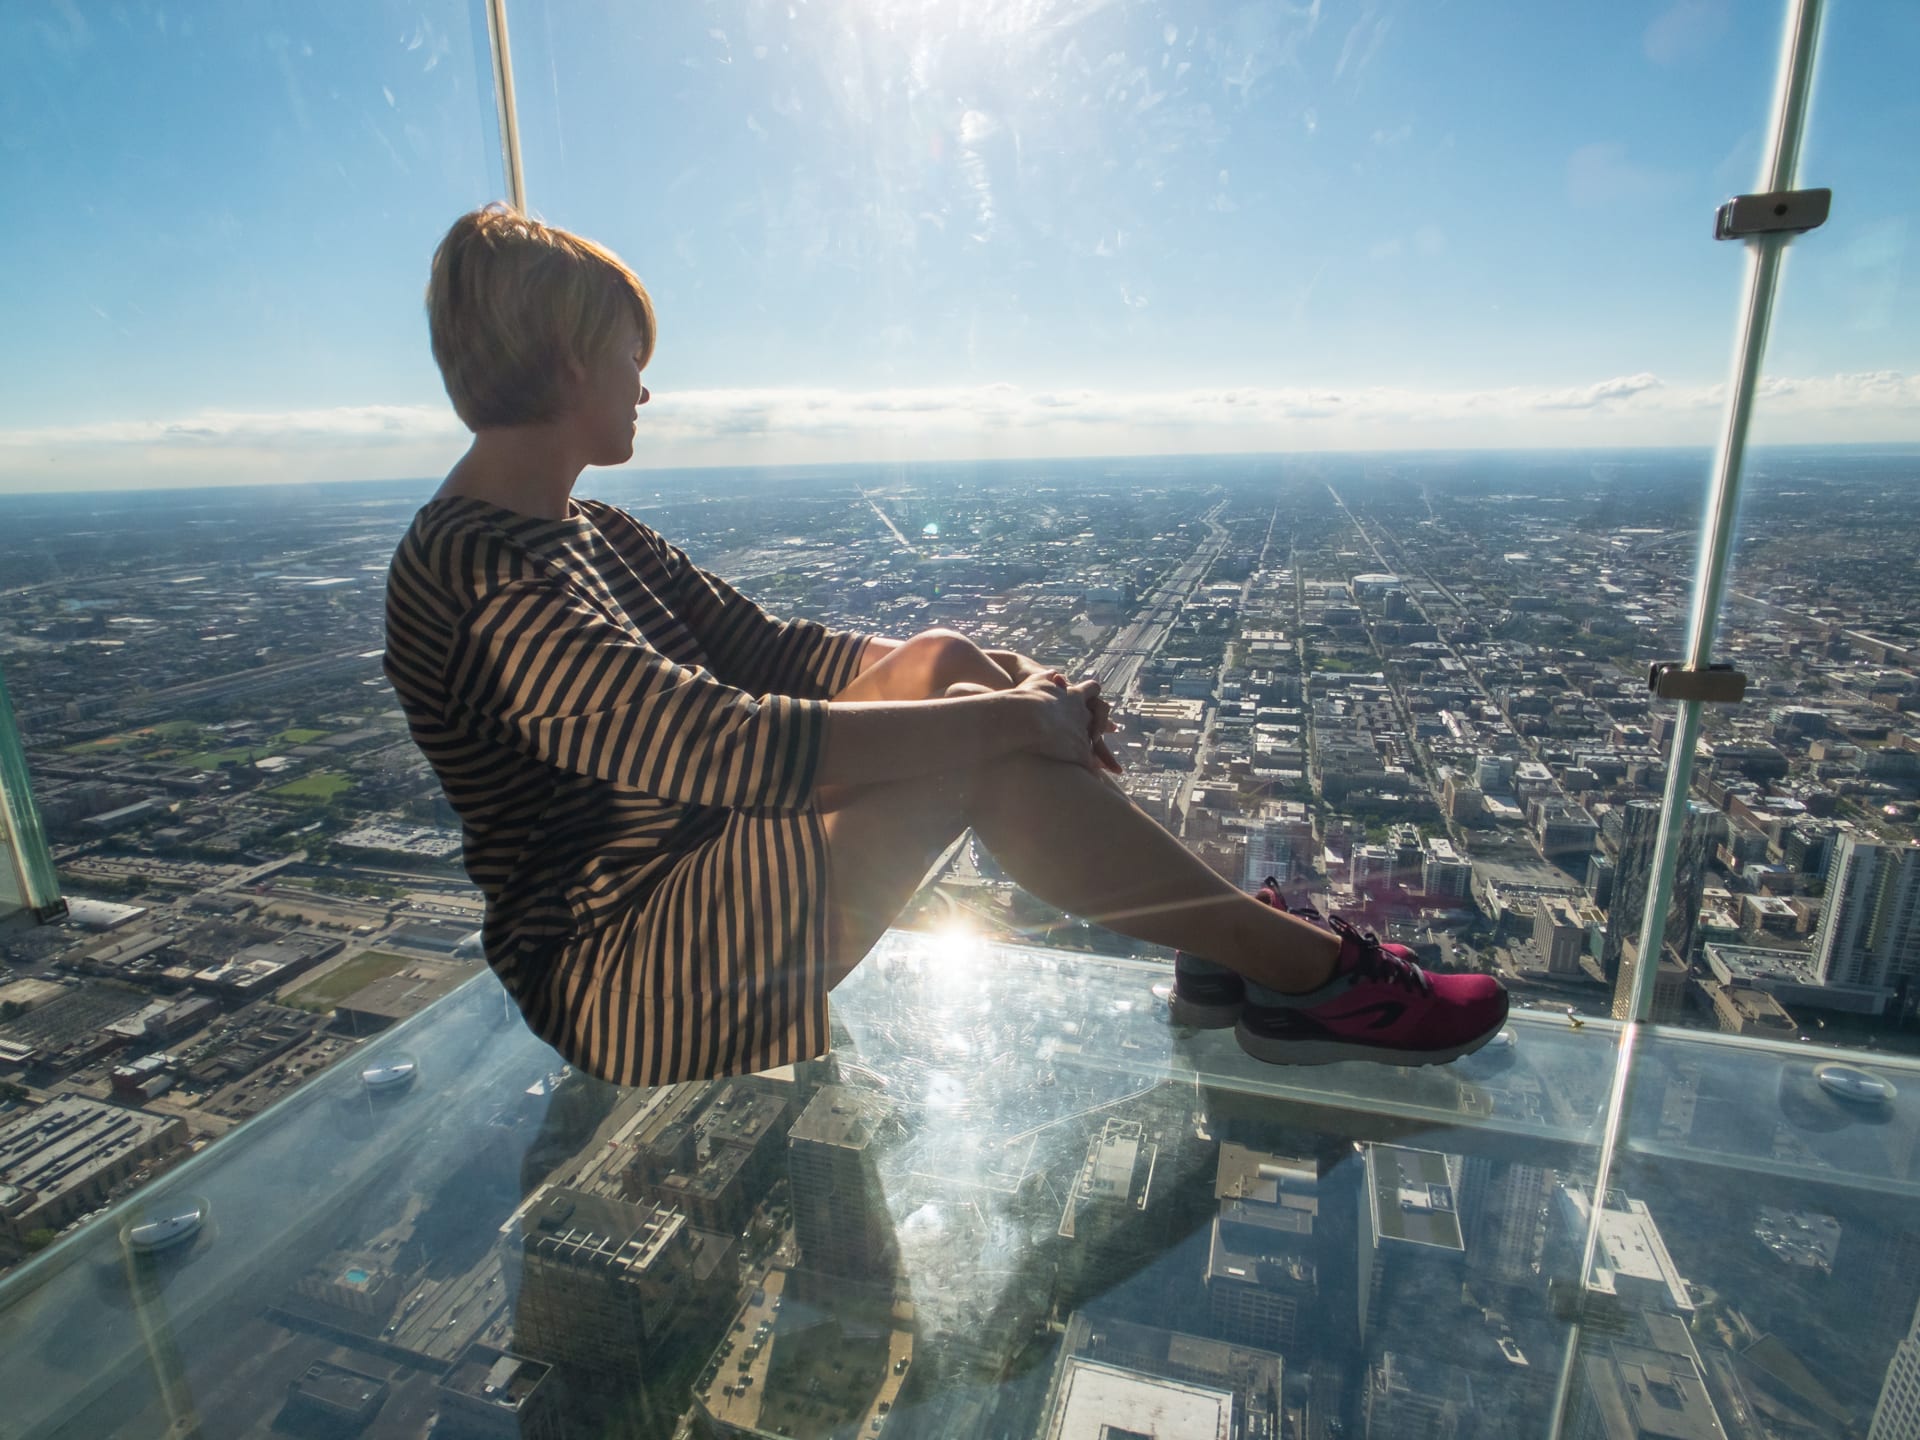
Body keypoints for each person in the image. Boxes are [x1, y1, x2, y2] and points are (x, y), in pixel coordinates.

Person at [383, 205, 1508, 1087]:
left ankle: (1238, 953)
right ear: (572, 360)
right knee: (967, 745)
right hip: (624, 977)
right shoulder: (480, 573)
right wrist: (1015, 723)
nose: (646, 383)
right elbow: (713, 743)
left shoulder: (580, 527)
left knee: (941, 661)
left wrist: (1005, 679)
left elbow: (775, 652)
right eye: (632, 354)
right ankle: (1300, 975)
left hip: (694, 888)